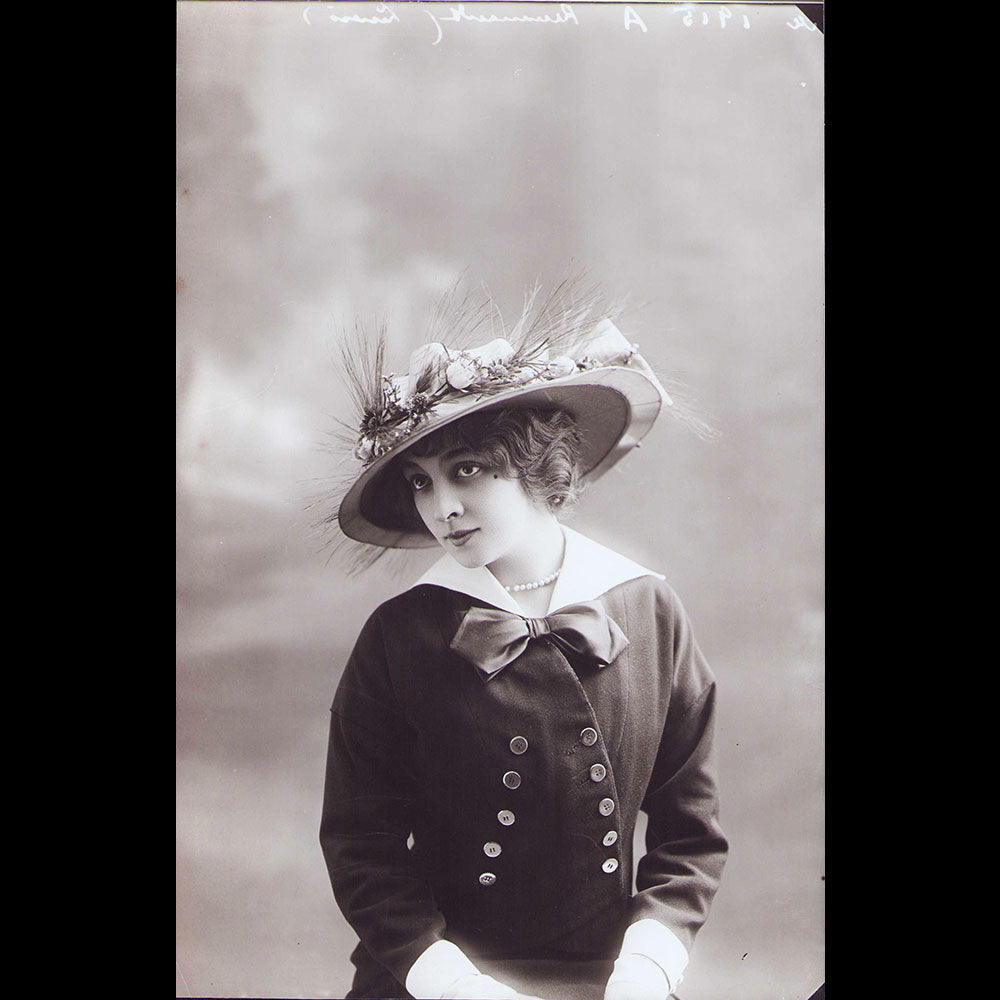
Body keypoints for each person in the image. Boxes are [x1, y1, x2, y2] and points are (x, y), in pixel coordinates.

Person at [318, 284, 728, 1000]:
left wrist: (648, 963)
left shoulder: (650, 609)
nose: (440, 508)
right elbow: (362, 846)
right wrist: (447, 980)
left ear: (540, 464)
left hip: (610, 977)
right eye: (421, 482)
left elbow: (689, 836)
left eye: (466, 471)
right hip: (436, 977)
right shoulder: (400, 635)